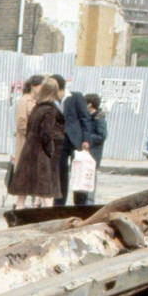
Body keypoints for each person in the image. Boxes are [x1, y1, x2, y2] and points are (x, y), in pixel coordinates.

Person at [7, 77, 64, 207]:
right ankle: (48, 218)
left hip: (29, 150)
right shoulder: (50, 110)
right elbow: (46, 133)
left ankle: (18, 214)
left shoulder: (37, 108)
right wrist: (51, 150)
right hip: (42, 153)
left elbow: (32, 128)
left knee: (23, 191)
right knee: (45, 190)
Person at [52, 73, 92, 206]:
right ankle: (59, 203)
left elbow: (85, 118)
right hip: (59, 142)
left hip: (76, 141)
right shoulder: (51, 101)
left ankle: (80, 204)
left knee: (79, 173)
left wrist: (86, 139)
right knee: (60, 173)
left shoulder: (75, 97)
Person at [11, 75, 44, 208]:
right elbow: (21, 123)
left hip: (39, 143)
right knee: (24, 173)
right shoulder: (23, 101)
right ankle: (20, 203)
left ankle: (37, 201)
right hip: (26, 142)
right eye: (40, 86)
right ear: (33, 86)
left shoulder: (40, 101)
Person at [85, 93, 107, 200]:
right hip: (85, 153)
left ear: (89, 104)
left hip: (93, 153)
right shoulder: (87, 117)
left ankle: (89, 201)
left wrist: (87, 139)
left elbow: (101, 136)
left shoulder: (99, 118)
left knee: (90, 178)